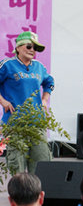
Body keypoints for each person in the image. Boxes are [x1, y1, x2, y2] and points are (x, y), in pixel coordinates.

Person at [0, 31, 54, 174]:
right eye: (29, 46)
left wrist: (44, 100)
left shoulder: (39, 66)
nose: (32, 50)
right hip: (15, 122)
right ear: (18, 47)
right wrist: (2, 101)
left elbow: (49, 81)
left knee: (42, 162)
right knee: (17, 163)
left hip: (37, 122)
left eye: (35, 48)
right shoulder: (7, 65)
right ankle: (20, 195)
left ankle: (37, 195)